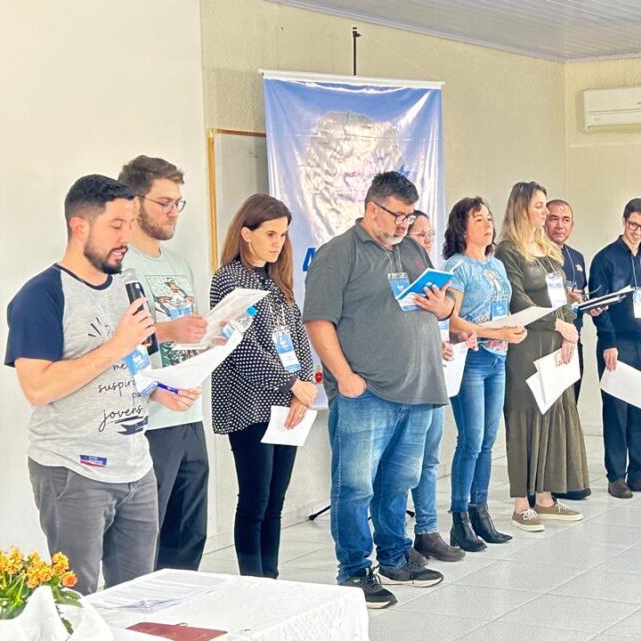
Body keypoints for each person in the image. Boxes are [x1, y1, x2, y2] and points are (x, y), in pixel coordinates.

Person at [6, 174, 199, 595]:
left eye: (130, 223)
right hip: (72, 470)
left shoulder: (126, 286)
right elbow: (37, 388)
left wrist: (158, 390)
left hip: (135, 464)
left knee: (136, 596)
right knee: (79, 598)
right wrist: (116, 345)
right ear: (80, 226)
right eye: (116, 225)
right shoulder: (40, 296)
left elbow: (129, 365)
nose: (126, 236)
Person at [304, 171, 451, 609]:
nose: (406, 223)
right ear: (372, 209)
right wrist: (344, 376)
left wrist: (442, 306)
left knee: (398, 483)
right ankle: (354, 570)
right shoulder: (339, 253)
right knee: (355, 488)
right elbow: (318, 321)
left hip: (418, 386)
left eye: (410, 215)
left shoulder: (411, 249)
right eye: (399, 215)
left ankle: (394, 556)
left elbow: (443, 305)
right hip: (366, 393)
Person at [210, 194, 316, 580]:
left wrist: (303, 384)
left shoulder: (277, 279)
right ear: (246, 233)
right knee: (254, 499)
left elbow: (298, 337)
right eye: (270, 233)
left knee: (275, 501)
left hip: (288, 403)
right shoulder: (228, 280)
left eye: (283, 235)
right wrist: (292, 384)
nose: (278, 242)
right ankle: (252, 582)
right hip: (249, 403)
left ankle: (269, 578)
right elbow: (241, 348)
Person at [117, 155, 209, 570]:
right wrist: (170, 331)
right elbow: (114, 344)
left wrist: (212, 335)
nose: (174, 212)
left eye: (178, 203)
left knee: (190, 529)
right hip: (148, 415)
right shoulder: (118, 267)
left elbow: (187, 331)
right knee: (145, 533)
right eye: (164, 202)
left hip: (189, 410)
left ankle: (181, 609)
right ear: (134, 203)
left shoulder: (179, 265)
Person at [495, 181, 587, 531]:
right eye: (539, 205)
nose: (545, 212)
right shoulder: (508, 251)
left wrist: (567, 328)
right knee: (525, 419)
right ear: (521, 208)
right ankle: (522, 503)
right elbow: (518, 301)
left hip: (555, 342)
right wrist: (557, 325)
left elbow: (559, 296)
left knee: (552, 417)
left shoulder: (547, 248)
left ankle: (546, 497)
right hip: (527, 344)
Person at [442, 197, 526, 550]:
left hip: (497, 359)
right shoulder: (456, 266)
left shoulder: (496, 265)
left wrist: (513, 329)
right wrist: (497, 333)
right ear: (462, 227)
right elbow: (451, 319)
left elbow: (500, 309)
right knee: (471, 439)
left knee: (489, 441)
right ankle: (460, 517)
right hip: (472, 360)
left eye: (490, 219)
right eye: (479, 219)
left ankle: (481, 510)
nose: (488, 225)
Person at [590, 198, 641, 499]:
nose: (637, 232)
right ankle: (616, 477)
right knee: (616, 411)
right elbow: (600, 306)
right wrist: (608, 341)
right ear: (624, 221)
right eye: (633, 225)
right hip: (618, 342)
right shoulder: (605, 259)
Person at [403, 211, 465, 564]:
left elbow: (436, 323)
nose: (427, 240)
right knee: (402, 467)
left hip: (434, 376)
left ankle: (427, 530)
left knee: (429, 460)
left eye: (430, 234)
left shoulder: (431, 279)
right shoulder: (395, 276)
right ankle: (397, 540)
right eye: (420, 234)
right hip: (404, 383)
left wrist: (445, 339)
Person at [544, 198, 595, 501]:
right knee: (547, 413)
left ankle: (563, 477)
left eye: (565, 219)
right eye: (553, 218)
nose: (559, 224)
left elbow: (579, 299)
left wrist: (588, 306)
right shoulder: (536, 255)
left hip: (573, 340)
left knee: (568, 411)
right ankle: (540, 481)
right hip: (547, 340)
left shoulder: (576, 257)